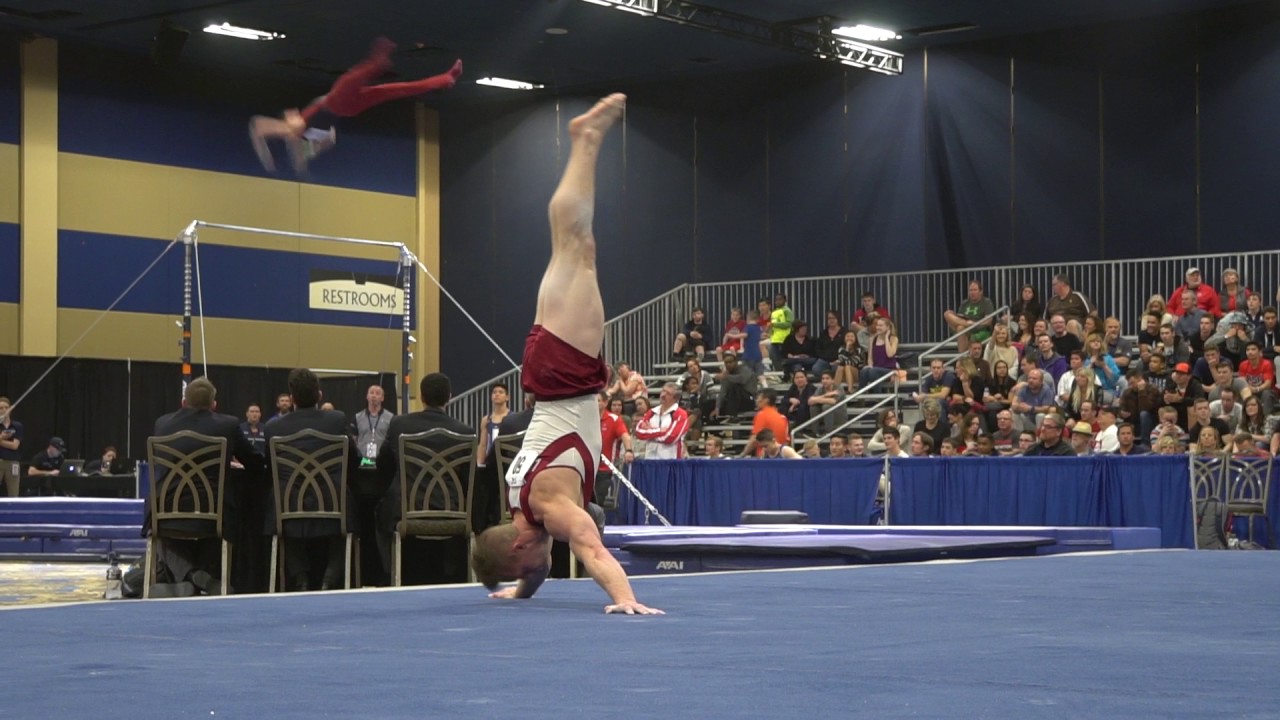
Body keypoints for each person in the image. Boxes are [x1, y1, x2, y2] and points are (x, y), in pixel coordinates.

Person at [470, 94, 661, 615]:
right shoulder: (522, 514)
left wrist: (624, 598)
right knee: (570, 247)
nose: (536, 568)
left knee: (577, 244)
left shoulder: (549, 509)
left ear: (516, 545)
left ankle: (586, 139)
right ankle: (586, 142)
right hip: (547, 373)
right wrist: (517, 589)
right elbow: (541, 567)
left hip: (565, 374)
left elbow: (592, 548)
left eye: (525, 567)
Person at [250, 38, 462, 173]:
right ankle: (377, 62)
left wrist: (279, 157)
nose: (292, 114)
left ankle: (445, 79)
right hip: (337, 105)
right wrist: (275, 158)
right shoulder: (303, 132)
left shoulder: (307, 131)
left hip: (344, 107)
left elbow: (267, 132)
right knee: (349, 80)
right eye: (290, 116)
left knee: (395, 89)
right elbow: (259, 127)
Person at [148, 377, 264, 594]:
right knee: (227, 519)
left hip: (167, 507)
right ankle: (201, 576)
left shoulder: (162, 423)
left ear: (183, 403)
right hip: (213, 510)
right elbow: (255, 463)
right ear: (214, 405)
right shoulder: (228, 424)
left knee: (156, 527)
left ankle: (189, 575)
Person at [264, 368, 360, 592]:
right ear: (319, 395)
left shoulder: (273, 427)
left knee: (282, 498)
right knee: (346, 498)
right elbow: (353, 461)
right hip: (332, 506)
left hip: (289, 508)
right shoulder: (337, 420)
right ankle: (331, 577)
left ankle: (300, 577)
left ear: (292, 398)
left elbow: (271, 470)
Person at [375, 372, 473, 578]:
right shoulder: (464, 432)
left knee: (379, 510)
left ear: (421, 397)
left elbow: (383, 464)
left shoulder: (400, 425)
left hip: (407, 511)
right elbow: (468, 480)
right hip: (452, 513)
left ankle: (389, 574)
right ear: (449, 397)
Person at [633, 383, 690, 459]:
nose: (663, 395)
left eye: (668, 394)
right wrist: (660, 431)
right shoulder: (651, 412)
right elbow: (639, 432)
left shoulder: (681, 414)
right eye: (663, 391)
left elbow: (670, 438)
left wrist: (649, 432)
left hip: (670, 460)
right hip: (650, 459)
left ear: (675, 398)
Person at [355, 384, 395, 462]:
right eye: (371, 393)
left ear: (382, 398)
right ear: (367, 396)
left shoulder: (391, 418)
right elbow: (354, 439)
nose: (374, 396)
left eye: (377, 393)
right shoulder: (357, 417)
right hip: (362, 460)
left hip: (383, 461)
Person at [475, 384, 511, 466]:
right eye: (494, 392)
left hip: (507, 460)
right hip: (491, 462)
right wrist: (479, 465)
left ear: (507, 397)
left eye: (501, 392)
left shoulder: (512, 418)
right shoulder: (486, 420)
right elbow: (483, 445)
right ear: (491, 397)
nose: (497, 394)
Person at [0, 397, 23, 497]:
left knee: (14, 494)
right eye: (1, 408)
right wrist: (2, 438)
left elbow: (14, 445)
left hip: (12, 462)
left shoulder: (17, 426)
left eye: (6, 407)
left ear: (10, 409)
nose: (4, 410)